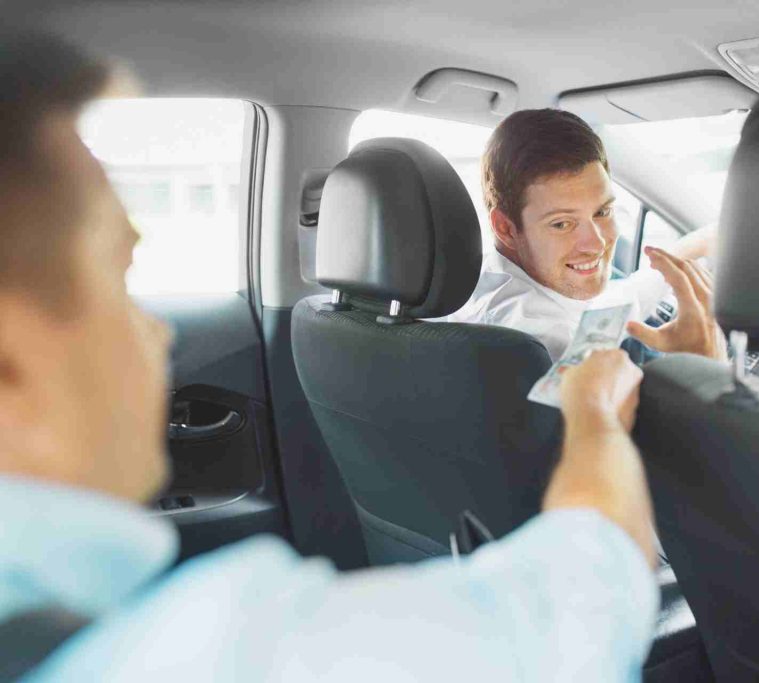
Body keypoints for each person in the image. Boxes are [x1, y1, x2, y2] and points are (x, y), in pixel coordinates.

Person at [0, 35, 663, 681]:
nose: (158, 336)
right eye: (122, 283)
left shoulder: (323, 329)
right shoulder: (246, 651)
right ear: (12, 363)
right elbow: (579, 601)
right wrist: (596, 415)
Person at [441, 108, 727, 362]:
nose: (597, 244)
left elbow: (603, 310)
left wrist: (690, 248)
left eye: (602, 213)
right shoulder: (542, 345)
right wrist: (708, 366)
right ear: (505, 228)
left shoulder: (491, 278)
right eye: (562, 224)